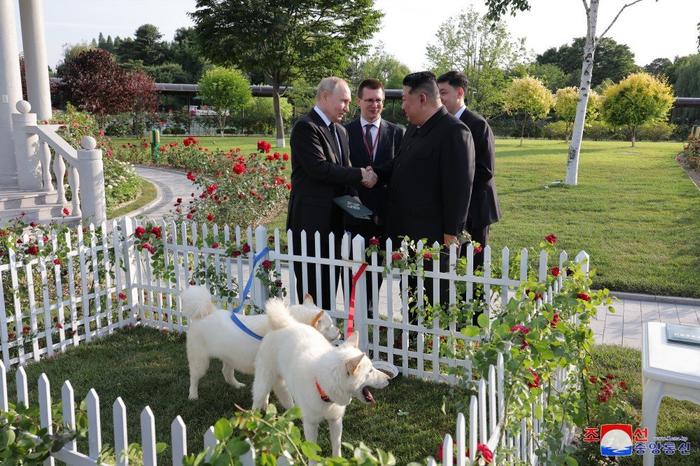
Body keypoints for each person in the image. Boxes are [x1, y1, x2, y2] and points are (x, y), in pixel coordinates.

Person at [376, 71, 475, 317]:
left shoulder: (454, 132)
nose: (402, 106)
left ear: (422, 98)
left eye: (404, 99)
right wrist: (373, 174)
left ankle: (434, 350)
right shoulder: (415, 128)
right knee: (410, 294)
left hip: (435, 238)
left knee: (434, 298)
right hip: (409, 234)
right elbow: (398, 165)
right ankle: (413, 346)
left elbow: (459, 187)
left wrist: (451, 233)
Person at [286, 77, 377, 309]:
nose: (347, 107)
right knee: (312, 292)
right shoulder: (306, 127)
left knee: (329, 287)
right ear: (325, 97)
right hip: (310, 224)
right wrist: (360, 174)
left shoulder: (340, 131)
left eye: (348, 102)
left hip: (335, 225)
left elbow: (343, 173)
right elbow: (320, 170)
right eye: (343, 101)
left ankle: (325, 338)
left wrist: (362, 212)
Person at [344, 79, 405, 312]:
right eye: (369, 100)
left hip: (383, 217)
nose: (375, 105)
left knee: (376, 271)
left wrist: (377, 176)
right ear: (359, 101)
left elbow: (399, 170)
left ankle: (370, 314)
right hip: (352, 213)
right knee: (353, 271)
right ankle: (354, 314)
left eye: (379, 100)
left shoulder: (398, 132)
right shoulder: (344, 132)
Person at [437, 71, 501, 271]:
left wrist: (458, 197)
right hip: (454, 210)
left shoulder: (477, 124)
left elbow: (485, 171)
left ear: (460, 92)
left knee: (474, 268)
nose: (440, 99)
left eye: (444, 93)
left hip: (476, 210)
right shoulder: (443, 124)